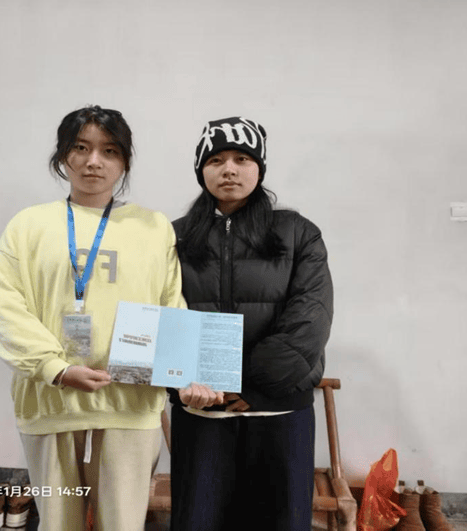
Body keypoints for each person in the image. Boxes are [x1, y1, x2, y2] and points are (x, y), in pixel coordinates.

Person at [0, 105, 184, 531]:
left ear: (124, 162)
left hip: (129, 406)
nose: (94, 161)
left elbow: (172, 307)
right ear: (63, 156)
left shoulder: (154, 228)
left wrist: (187, 373)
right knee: (58, 524)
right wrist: (55, 369)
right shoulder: (28, 225)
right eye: (81, 148)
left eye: (109, 151)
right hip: (51, 402)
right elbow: (6, 307)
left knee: (123, 524)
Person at [170, 116, 334, 531]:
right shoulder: (175, 237)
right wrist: (180, 383)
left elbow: (310, 318)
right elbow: (163, 313)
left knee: (280, 522)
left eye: (242, 159)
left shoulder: (298, 233)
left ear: (259, 167)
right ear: (201, 170)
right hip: (203, 412)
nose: (229, 169)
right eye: (216, 160)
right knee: (198, 521)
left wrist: (249, 385)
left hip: (280, 413)